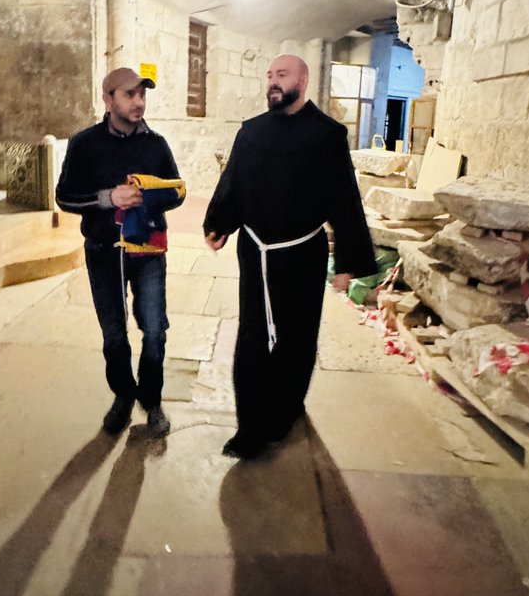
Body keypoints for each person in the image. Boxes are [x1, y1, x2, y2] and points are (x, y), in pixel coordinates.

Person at [203, 54, 376, 458]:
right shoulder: (251, 132)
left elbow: (344, 199)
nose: (272, 83)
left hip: (302, 253)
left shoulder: (327, 135)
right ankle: (249, 428)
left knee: (297, 338)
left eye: (281, 75)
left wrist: (347, 264)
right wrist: (219, 224)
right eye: (269, 76)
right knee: (252, 336)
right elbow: (234, 181)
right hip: (257, 252)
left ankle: (285, 410)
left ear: (303, 78)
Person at [56, 67, 185, 437]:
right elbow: (64, 197)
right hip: (103, 251)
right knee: (114, 334)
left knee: (155, 330)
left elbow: (175, 193)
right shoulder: (84, 144)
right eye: (129, 94)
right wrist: (108, 198)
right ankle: (123, 396)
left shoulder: (156, 145)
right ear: (108, 99)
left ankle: (153, 400)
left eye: (142, 94)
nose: (139, 101)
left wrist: (152, 195)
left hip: (147, 250)